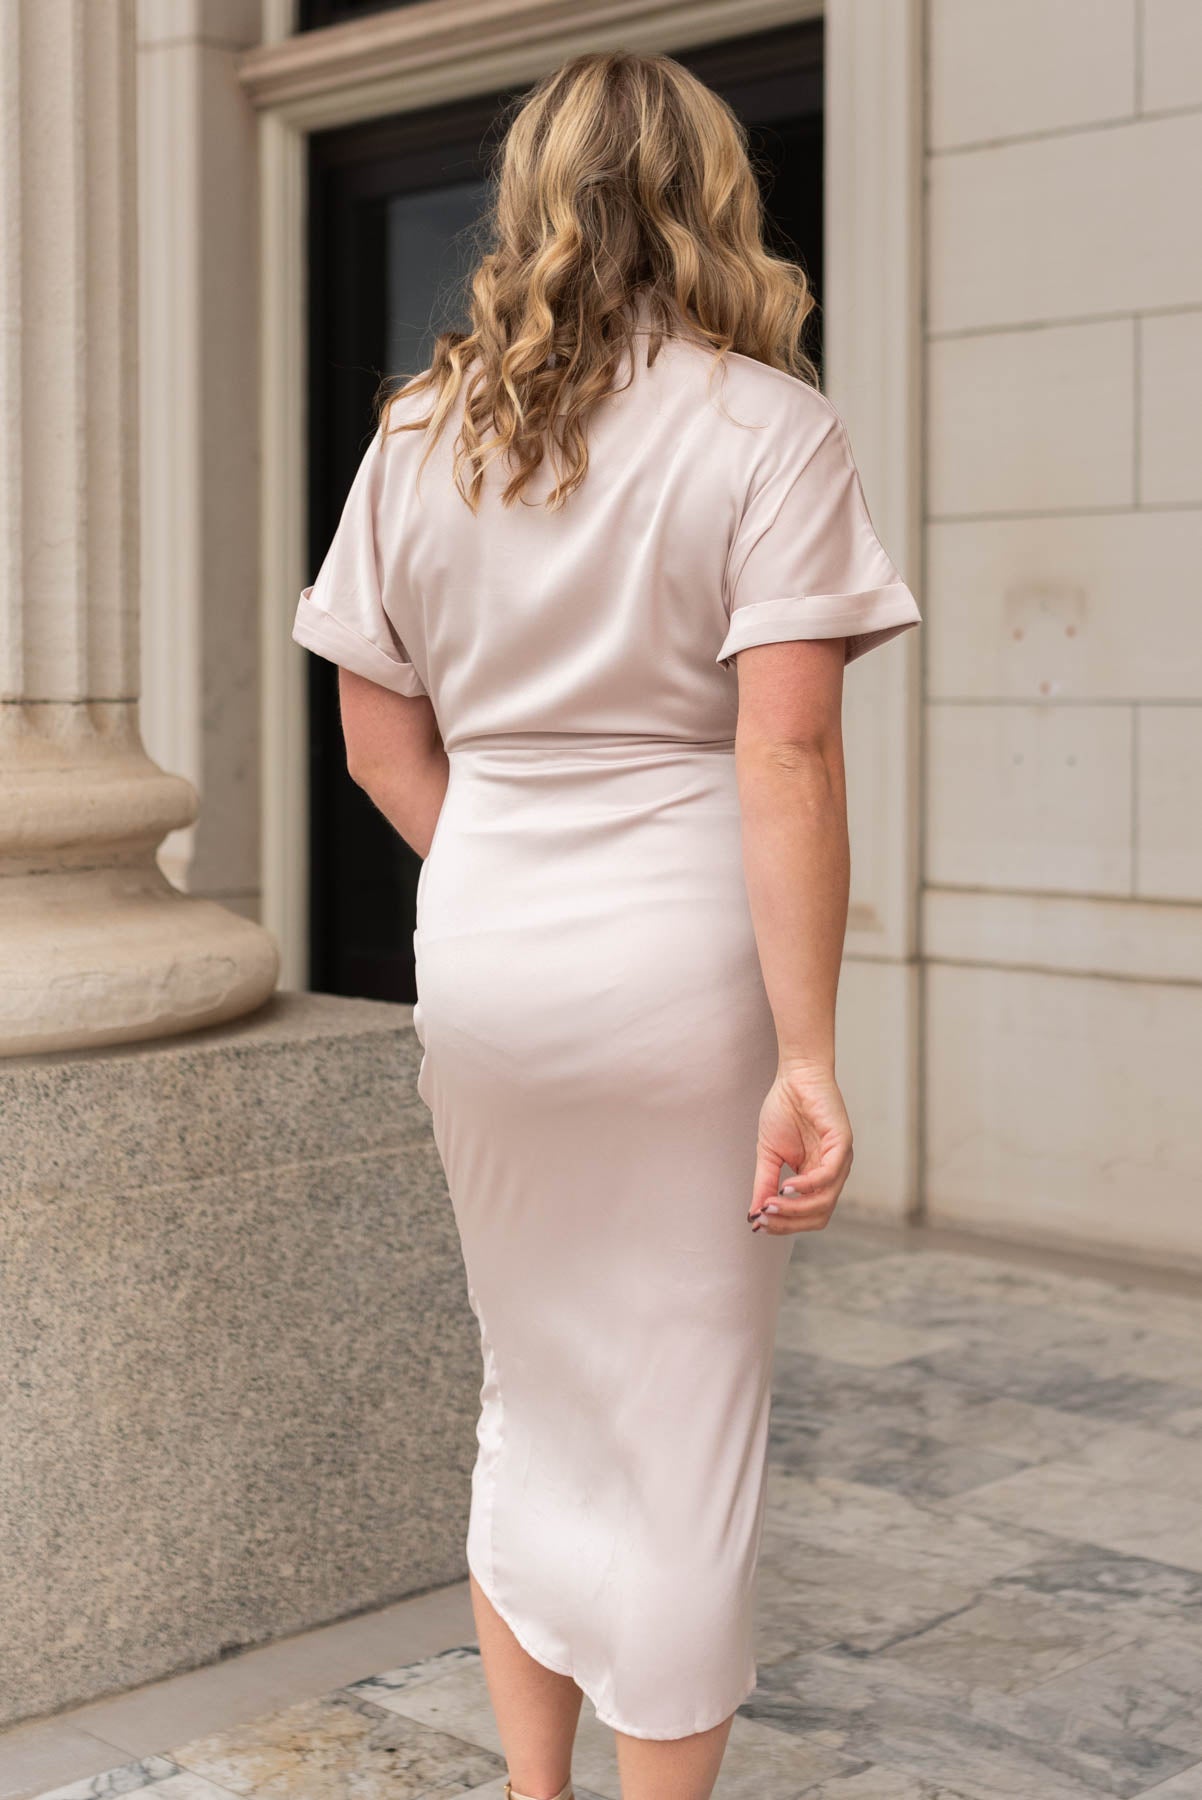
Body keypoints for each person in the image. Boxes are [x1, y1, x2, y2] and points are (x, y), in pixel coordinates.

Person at [292, 48, 921, 1800]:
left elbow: (370, 733)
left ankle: (534, 1789)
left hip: (482, 957)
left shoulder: (418, 435)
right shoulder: (768, 427)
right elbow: (783, 748)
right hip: (680, 973)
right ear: (713, 197)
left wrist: (493, 863)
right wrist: (807, 1053)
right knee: (683, 1423)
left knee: (534, 1384)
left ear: (530, 202)